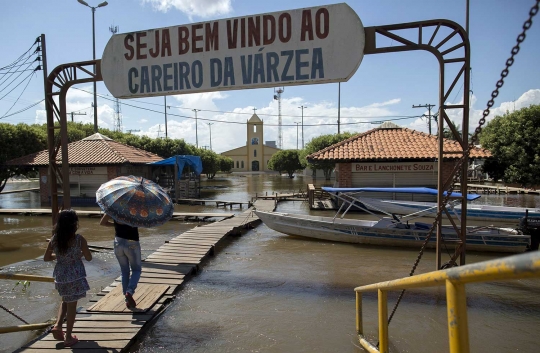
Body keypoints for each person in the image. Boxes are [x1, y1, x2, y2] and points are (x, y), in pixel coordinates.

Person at [44, 209, 92, 348]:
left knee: (65, 299)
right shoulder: (79, 239)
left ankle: (58, 325)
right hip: (75, 276)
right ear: (74, 224)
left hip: (60, 276)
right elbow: (89, 257)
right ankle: (69, 337)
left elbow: (46, 258)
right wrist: (79, 254)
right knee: (72, 306)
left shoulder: (54, 239)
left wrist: (59, 257)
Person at [100, 213, 141, 309]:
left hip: (118, 242)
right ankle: (129, 292)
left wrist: (115, 224)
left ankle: (127, 299)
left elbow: (102, 223)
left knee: (124, 271)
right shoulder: (135, 209)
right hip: (132, 242)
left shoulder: (114, 208)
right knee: (136, 270)